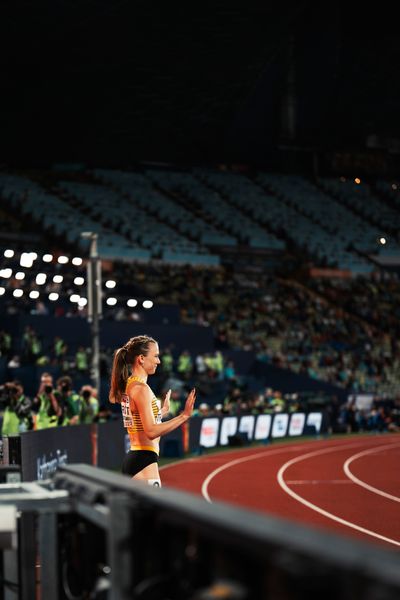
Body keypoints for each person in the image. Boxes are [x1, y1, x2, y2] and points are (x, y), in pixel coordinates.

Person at [109, 335, 196, 486]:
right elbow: (151, 431)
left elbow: (139, 422)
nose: (158, 361)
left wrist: (161, 412)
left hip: (138, 458)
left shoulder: (131, 385)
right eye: (155, 356)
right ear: (141, 358)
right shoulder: (140, 389)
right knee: (152, 510)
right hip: (143, 460)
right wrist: (184, 416)